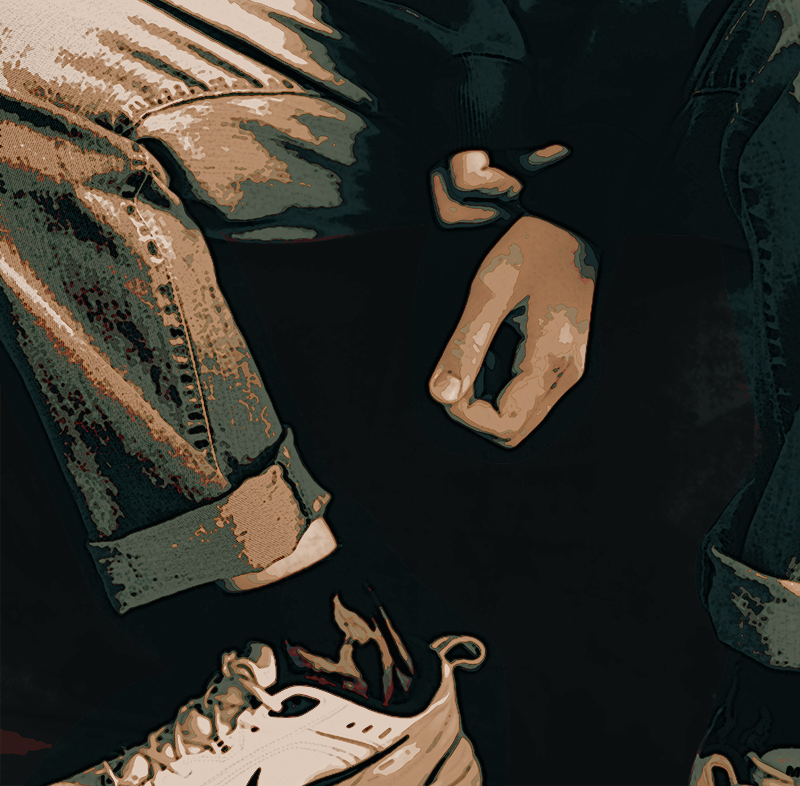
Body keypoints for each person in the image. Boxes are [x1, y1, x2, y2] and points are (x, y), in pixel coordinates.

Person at [0, 1, 798, 784]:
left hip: (725, 52)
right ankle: (340, 665)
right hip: (416, 34)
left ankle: (776, 730)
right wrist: (474, 95)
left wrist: (579, 201)